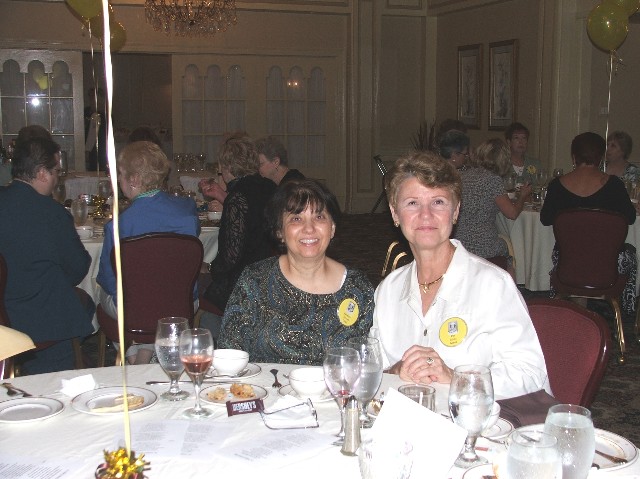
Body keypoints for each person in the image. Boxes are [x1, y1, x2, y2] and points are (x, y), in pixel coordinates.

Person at [373, 150, 550, 399]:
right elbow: (374, 371)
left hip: (477, 420)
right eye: (412, 203)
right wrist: (396, 370)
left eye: (438, 202)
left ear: (455, 211)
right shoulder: (388, 290)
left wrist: (457, 378)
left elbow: (531, 375)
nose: (426, 214)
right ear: (394, 213)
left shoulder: (492, 285)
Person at [218, 179, 374, 364]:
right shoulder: (255, 281)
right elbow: (228, 355)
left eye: (319, 217)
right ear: (280, 231)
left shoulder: (357, 288)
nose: (309, 228)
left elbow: (369, 361)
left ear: (332, 228)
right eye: (296, 219)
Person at [96, 141, 200, 363]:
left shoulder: (117, 226)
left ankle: (134, 356)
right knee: (153, 298)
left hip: (135, 311)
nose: (117, 179)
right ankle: (144, 352)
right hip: (182, 305)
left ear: (133, 179)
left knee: (101, 291)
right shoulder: (187, 210)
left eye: (120, 174)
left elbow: (107, 279)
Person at [0, 136, 95, 374]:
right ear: (42, 173)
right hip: (42, 322)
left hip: (4, 317)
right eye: (56, 172)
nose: (57, 179)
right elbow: (77, 269)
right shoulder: (52, 213)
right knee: (83, 303)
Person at [541, 132, 637, 316]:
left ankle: (577, 307)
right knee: (629, 254)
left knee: (573, 251)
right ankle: (624, 314)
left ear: (574, 157)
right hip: (607, 266)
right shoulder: (614, 186)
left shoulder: (556, 186)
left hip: (568, 264)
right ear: (600, 157)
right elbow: (630, 217)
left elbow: (545, 219)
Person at [198, 133, 277, 340]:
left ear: (227, 167)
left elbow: (231, 256)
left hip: (244, 282)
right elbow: (254, 219)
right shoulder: (270, 187)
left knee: (192, 279)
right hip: (271, 273)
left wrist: (210, 268)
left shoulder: (238, 197)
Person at [454, 139, 530, 273]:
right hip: (482, 244)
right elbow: (512, 213)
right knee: (509, 252)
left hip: (459, 241)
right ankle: (510, 285)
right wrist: (523, 196)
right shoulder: (493, 180)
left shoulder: (463, 175)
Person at [84, 87, 107, 172]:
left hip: (99, 150)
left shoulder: (100, 115)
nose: (92, 100)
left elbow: (92, 135)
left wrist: (87, 151)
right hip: (96, 150)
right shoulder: (87, 112)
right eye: (91, 97)